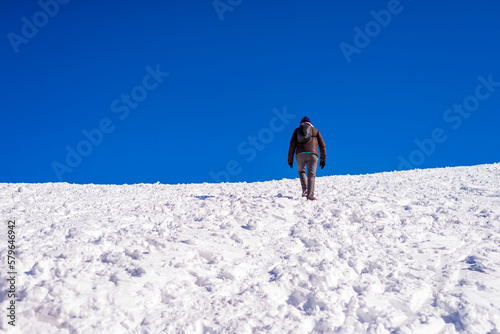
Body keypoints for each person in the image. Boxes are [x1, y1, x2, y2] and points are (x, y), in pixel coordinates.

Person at [288, 116, 326, 200]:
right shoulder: (315, 130)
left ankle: (305, 189)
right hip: (312, 154)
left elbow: (292, 145)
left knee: (301, 171)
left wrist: (290, 160)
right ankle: (310, 196)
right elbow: (322, 145)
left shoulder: (297, 131)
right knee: (311, 175)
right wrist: (323, 159)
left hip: (300, 155)